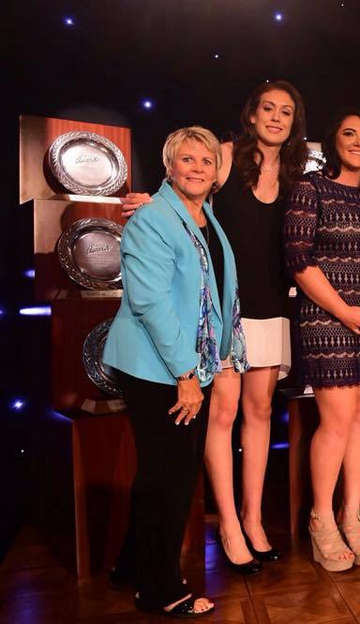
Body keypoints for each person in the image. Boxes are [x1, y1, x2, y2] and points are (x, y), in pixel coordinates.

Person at [120, 80, 307, 572]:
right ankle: (226, 523)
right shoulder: (223, 155)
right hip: (223, 310)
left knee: (262, 413)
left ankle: (253, 518)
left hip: (272, 303)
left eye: (285, 112)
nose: (275, 117)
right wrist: (152, 204)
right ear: (252, 114)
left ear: (294, 122)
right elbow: (189, 191)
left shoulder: (296, 172)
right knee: (221, 416)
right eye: (267, 108)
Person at [103, 126, 249, 617]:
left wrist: (217, 358)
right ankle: (158, 588)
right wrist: (187, 373)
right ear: (169, 166)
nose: (197, 168)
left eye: (206, 161)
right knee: (167, 478)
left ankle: (131, 566)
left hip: (192, 364)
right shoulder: (151, 219)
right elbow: (149, 302)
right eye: (187, 159)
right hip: (157, 366)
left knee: (173, 472)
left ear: (216, 172)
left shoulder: (204, 216)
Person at [284, 110, 360, 570]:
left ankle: (351, 515)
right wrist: (343, 311)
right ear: (332, 141)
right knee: (335, 420)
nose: (358, 141)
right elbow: (298, 258)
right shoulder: (309, 188)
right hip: (327, 318)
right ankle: (321, 519)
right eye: (349, 133)